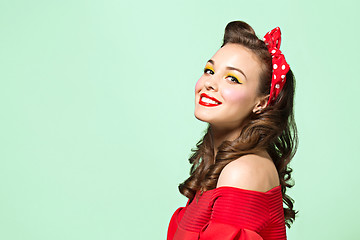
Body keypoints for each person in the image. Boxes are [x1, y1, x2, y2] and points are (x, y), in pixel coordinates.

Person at [167, 20, 298, 240]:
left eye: (233, 78)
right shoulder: (222, 165)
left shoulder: (242, 171)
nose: (211, 83)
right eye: (210, 70)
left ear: (261, 103)